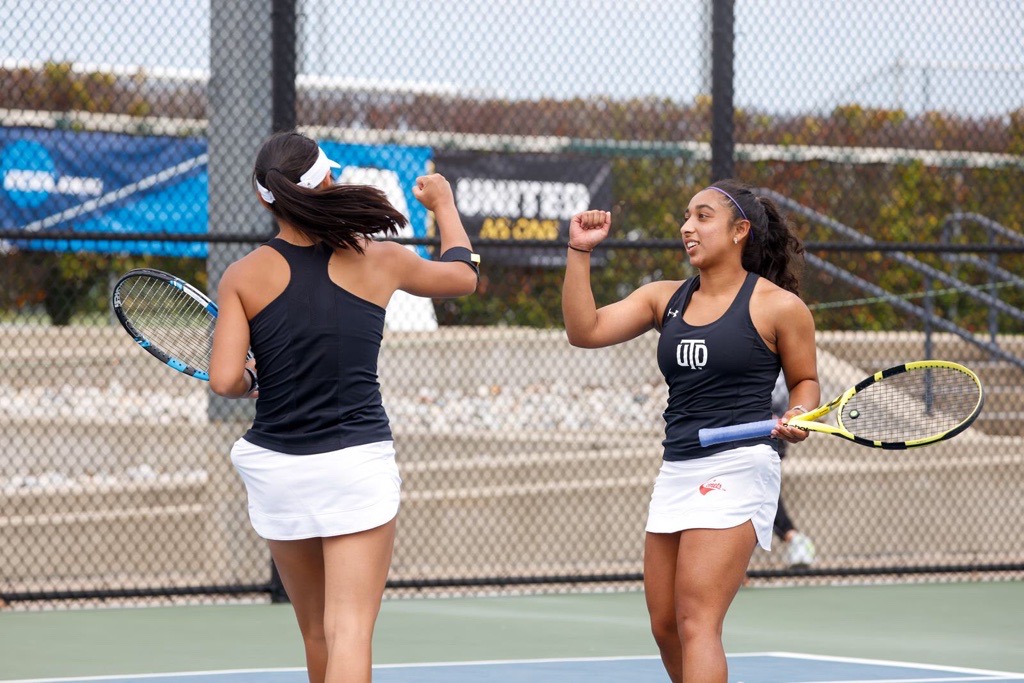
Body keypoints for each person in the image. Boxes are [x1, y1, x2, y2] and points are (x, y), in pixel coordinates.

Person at [208, 131, 479, 683]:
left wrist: (252, 380)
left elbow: (224, 380)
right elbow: (464, 276)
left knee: (315, 632)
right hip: (355, 466)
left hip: (276, 469)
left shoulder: (242, 275)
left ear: (265, 198)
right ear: (325, 181)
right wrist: (444, 205)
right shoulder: (380, 257)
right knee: (349, 629)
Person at [561, 179, 820, 683]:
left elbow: (804, 381)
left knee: (696, 620)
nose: (687, 227)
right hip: (678, 464)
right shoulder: (664, 299)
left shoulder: (779, 307)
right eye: (687, 216)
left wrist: (800, 415)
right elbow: (584, 330)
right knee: (665, 626)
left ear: (740, 230)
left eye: (703, 217)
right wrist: (578, 251)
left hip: (741, 463)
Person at [770, 372, 816, 568]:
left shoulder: (772, 353)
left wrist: (783, 415)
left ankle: (794, 538)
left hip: (771, 431)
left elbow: (790, 389)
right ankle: (793, 537)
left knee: (762, 490)